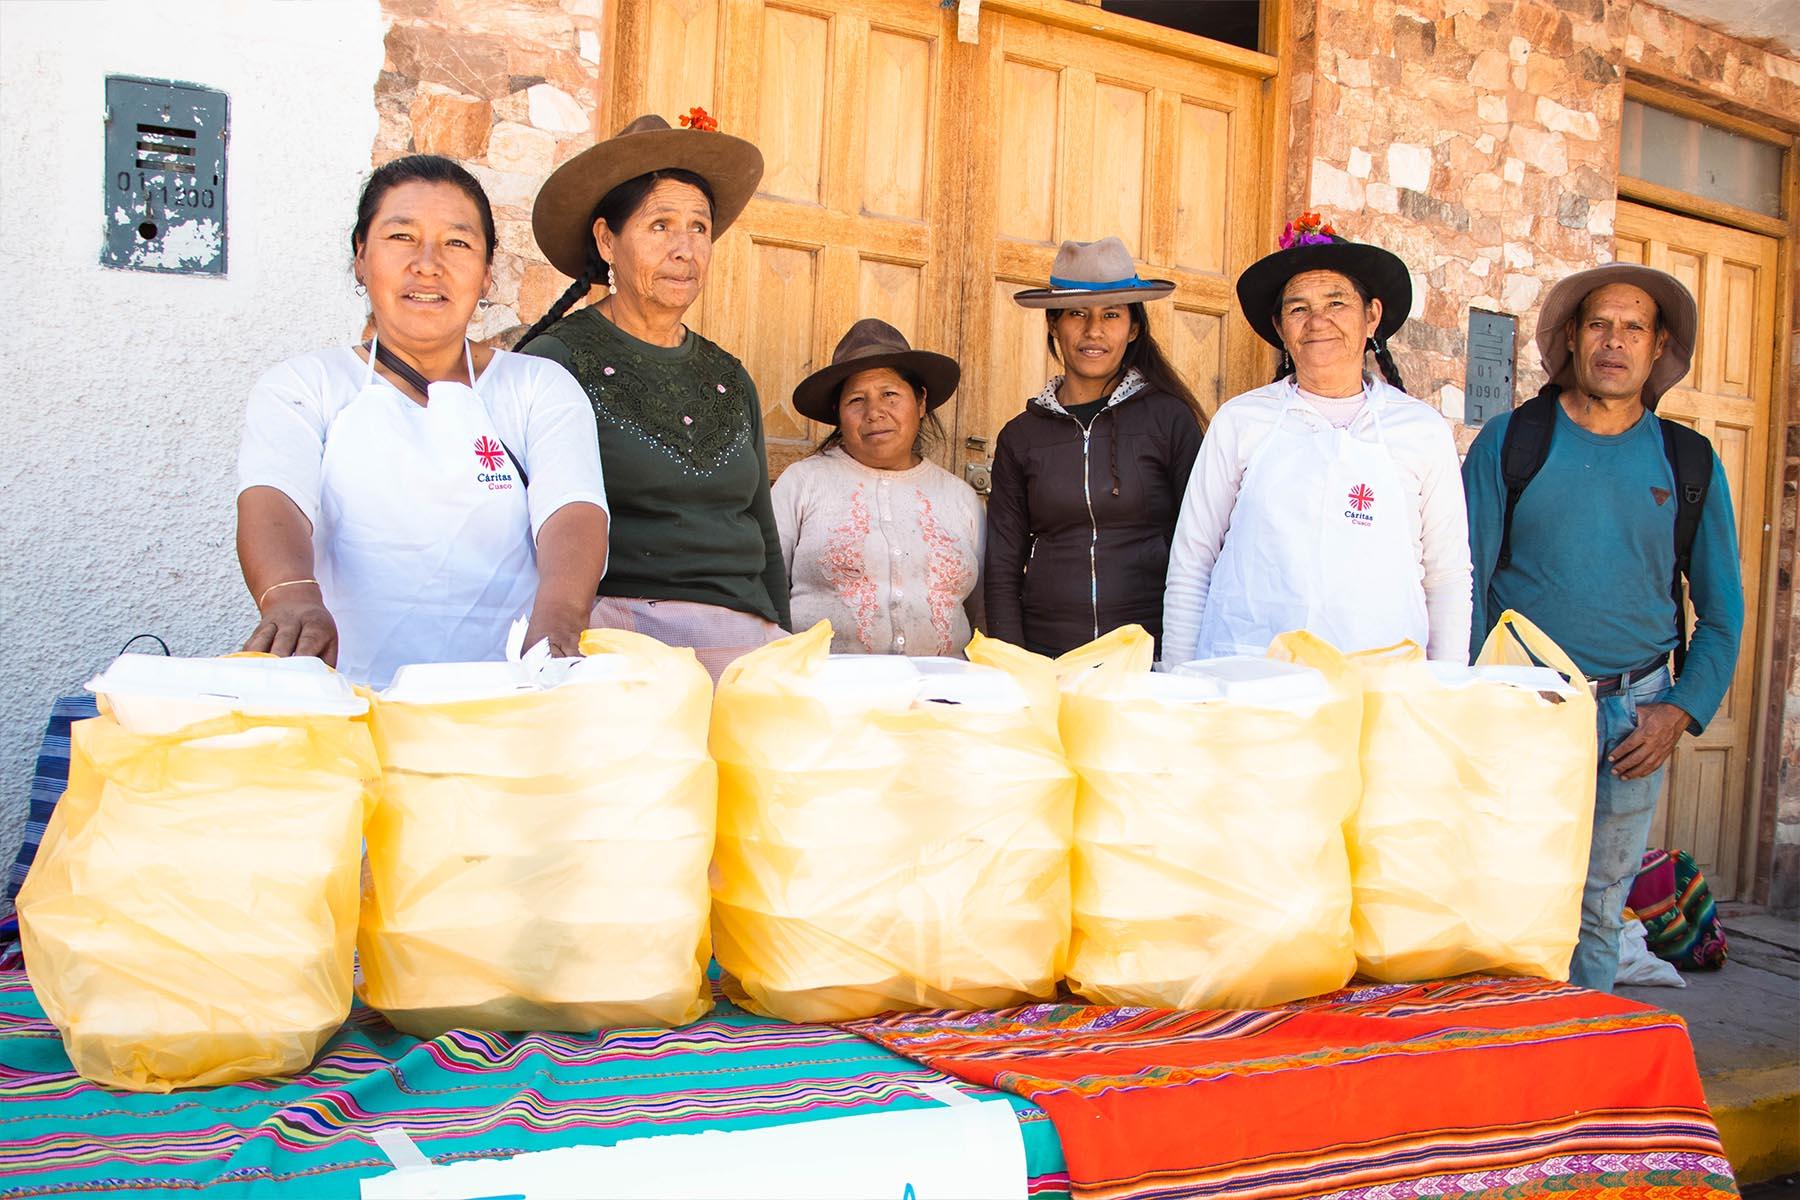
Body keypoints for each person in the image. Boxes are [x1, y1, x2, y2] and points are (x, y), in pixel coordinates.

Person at [1462, 262, 1743, 992]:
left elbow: (1723, 612)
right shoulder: (1512, 442)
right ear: (1572, 340)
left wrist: (1679, 710)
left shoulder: (1688, 462)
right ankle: (1506, 1063)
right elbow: (1463, 583)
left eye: (1633, 328)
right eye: (1598, 324)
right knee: (1506, 893)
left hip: (1632, 719)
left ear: (1658, 350)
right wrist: (1478, 702)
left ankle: (1576, 1071)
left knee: (1598, 908)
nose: (1614, 342)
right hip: (1525, 706)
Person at [235, 155, 610, 688]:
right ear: (361, 257)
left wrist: (560, 618)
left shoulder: (538, 388)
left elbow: (573, 510)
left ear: (485, 272)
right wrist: (291, 596)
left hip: (507, 699)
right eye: (401, 237)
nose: (428, 264)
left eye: (457, 243)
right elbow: (273, 498)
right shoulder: (303, 385)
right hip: (346, 698)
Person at [515, 111, 790, 681]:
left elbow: (760, 527)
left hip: (745, 633)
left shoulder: (729, 375)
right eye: (660, 225)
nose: (685, 249)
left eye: (699, 228)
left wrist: (778, 643)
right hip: (618, 634)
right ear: (606, 239)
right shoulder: (556, 361)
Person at [1161, 214, 1470, 665]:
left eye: (1337, 303)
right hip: (1251, 676)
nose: (1317, 321)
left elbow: (1446, 578)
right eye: (1298, 308)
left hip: (1380, 688)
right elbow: (1192, 561)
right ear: (1281, 327)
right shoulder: (1242, 421)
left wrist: (1444, 690)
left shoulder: (1420, 431)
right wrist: (1180, 681)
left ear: (1373, 316)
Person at [984, 236, 1206, 658]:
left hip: (1146, 656)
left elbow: (1199, 545)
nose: (1094, 331)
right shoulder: (1021, 436)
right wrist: (1013, 662)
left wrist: (1181, 656)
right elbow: (1003, 563)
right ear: (1053, 323)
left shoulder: (1168, 420)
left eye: (1111, 314)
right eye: (1076, 314)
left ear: (1133, 326)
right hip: (1049, 656)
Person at [773, 319, 982, 656]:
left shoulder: (960, 498)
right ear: (838, 413)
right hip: (828, 691)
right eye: (857, 400)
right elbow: (766, 592)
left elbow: (980, 610)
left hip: (941, 695)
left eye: (890, 395)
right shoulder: (802, 483)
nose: (874, 412)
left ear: (921, 401)